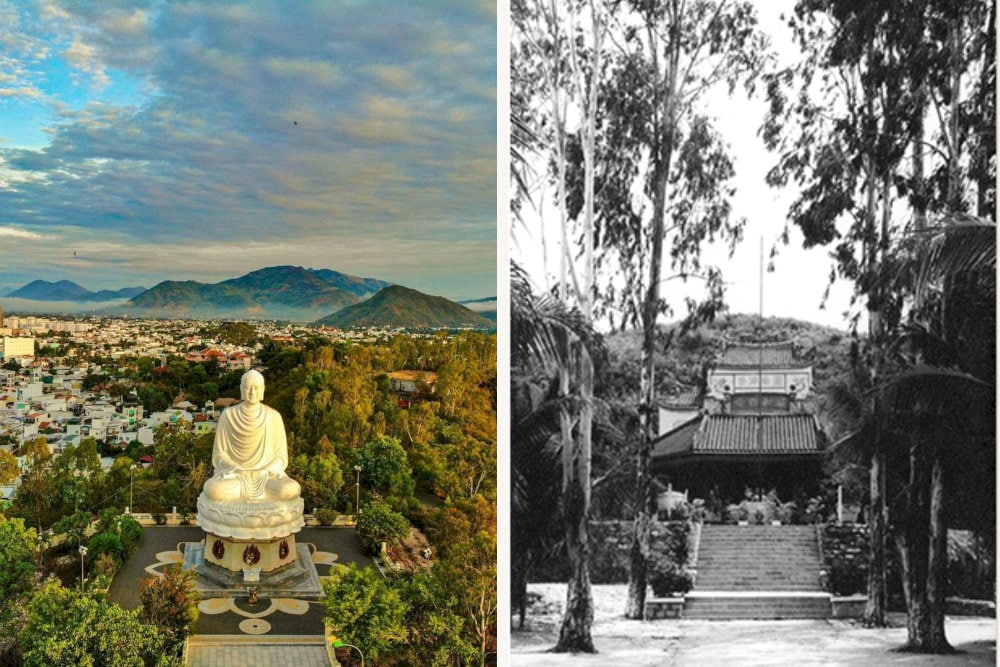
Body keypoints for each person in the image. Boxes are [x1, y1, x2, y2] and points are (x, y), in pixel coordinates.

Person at [202, 370, 300, 502]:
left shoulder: (273, 416)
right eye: (248, 387)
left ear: (263, 389)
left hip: (266, 476)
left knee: (290, 489)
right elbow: (219, 455)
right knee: (214, 490)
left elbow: (281, 457)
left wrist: (266, 470)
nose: (252, 392)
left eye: (256, 388)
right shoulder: (228, 415)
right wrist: (236, 469)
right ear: (242, 389)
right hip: (236, 476)